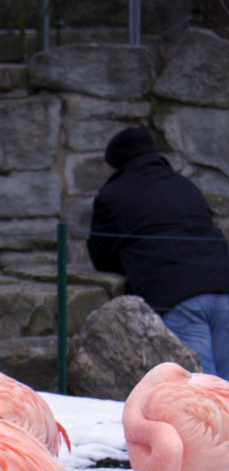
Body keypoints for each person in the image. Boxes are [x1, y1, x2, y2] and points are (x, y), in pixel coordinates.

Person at [88, 126, 229, 376]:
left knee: (202, 386)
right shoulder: (185, 186)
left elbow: (102, 256)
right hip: (223, 287)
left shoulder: (112, 195)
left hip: (178, 295)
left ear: (114, 164)